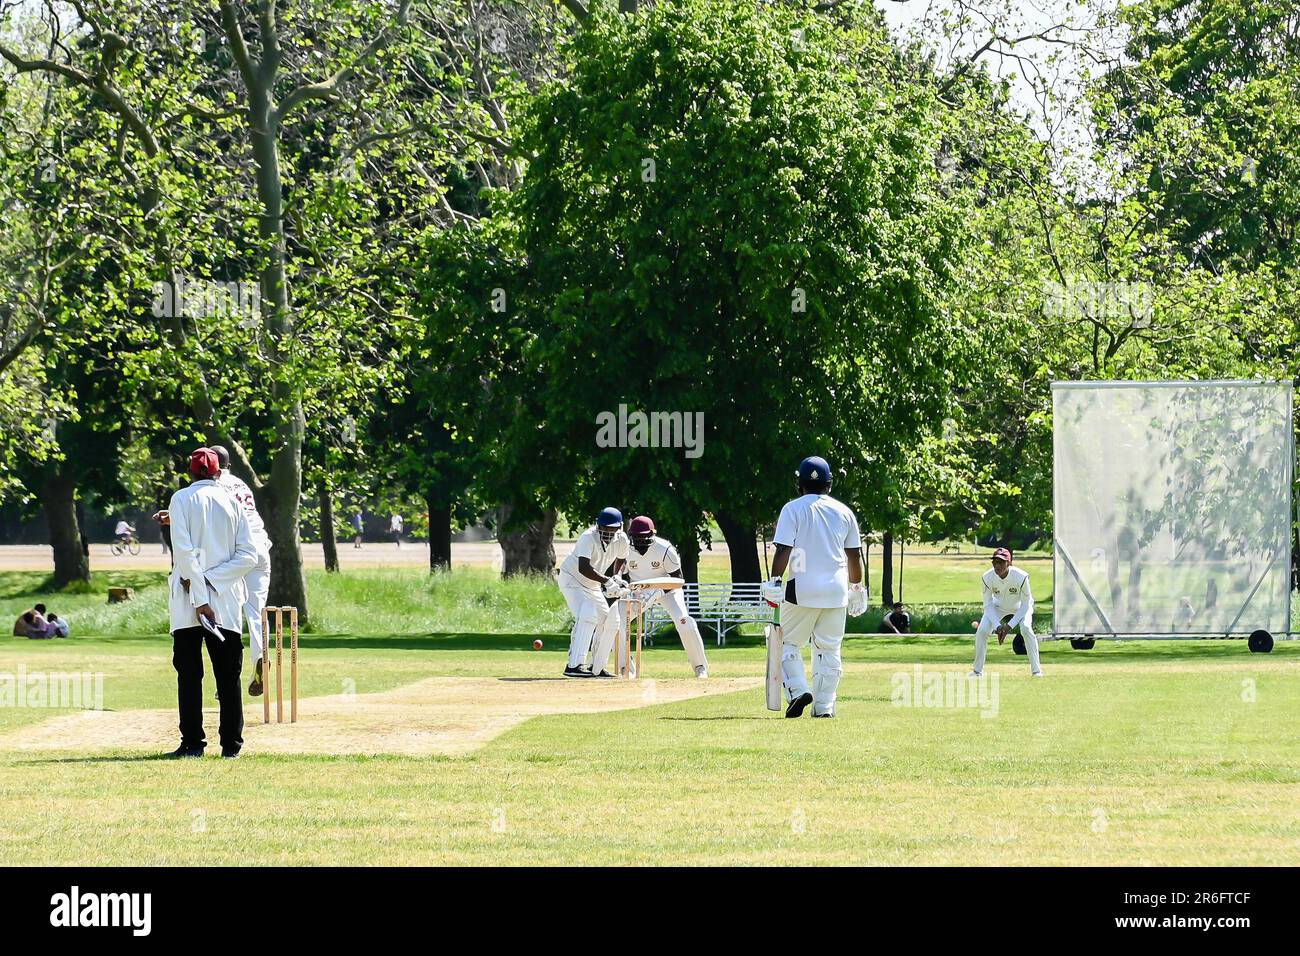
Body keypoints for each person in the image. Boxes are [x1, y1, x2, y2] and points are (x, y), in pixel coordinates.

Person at [165, 447, 258, 759]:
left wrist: (201, 592)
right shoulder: (233, 501)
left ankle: (193, 744)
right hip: (225, 600)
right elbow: (248, 556)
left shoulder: (180, 499)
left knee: (189, 675)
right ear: (219, 472)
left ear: (191, 473)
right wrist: (214, 582)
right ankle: (231, 745)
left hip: (189, 599)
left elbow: (184, 552)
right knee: (227, 676)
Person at [763, 456, 866, 718]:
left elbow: (784, 549)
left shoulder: (792, 509)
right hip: (836, 590)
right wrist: (856, 587)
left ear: (799, 484)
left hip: (801, 588)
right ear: (829, 484)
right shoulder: (844, 512)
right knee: (829, 649)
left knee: (786, 643)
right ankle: (824, 707)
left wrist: (774, 580)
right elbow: (854, 556)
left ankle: (798, 691)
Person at [592, 515, 709, 677]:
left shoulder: (665, 549)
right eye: (636, 538)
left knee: (684, 622)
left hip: (668, 590)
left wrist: (659, 592)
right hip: (639, 591)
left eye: (643, 537)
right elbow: (619, 566)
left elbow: (678, 580)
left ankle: (700, 667)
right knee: (615, 620)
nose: (639, 541)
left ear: (652, 534)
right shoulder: (626, 548)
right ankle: (626, 668)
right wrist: (617, 578)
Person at [209, 445, 273, 699]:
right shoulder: (240, 484)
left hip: (240, 553)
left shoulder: (214, 486)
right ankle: (261, 657)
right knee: (257, 614)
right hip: (261, 549)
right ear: (229, 465)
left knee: (228, 616)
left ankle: (226, 680)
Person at [556, 507, 628, 678]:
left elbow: (621, 558)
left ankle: (597, 667)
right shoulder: (588, 537)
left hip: (593, 584)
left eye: (612, 528)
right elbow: (583, 567)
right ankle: (574, 665)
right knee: (588, 614)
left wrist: (616, 576)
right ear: (598, 525)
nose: (608, 531)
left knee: (608, 620)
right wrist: (607, 581)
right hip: (572, 579)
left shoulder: (622, 539)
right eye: (605, 527)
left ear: (620, 527)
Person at [971, 547, 1042, 677]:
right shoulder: (987, 577)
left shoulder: (1021, 577)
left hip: (1021, 606)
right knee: (982, 631)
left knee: (1026, 629)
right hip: (998, 607)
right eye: (995, 562)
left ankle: (1036, 671)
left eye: (1001, 562)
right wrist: (998, 626)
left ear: (1008, 563)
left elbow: (1026, 604)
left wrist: (1009, 626)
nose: (997, 565)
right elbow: (987, 604)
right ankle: (977, 671)